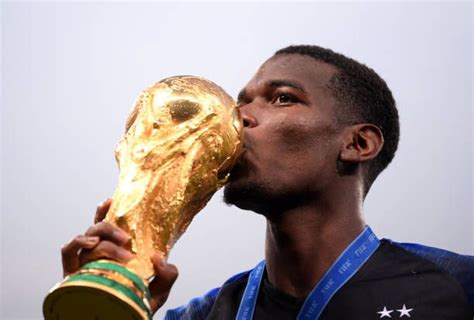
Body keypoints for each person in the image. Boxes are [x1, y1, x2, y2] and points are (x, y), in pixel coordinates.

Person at [61, 45, 474, 319]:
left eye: (282, 98)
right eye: (242, 101)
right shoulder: (203, 316)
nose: (238, 117)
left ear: (358, 143)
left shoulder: (456, 287)